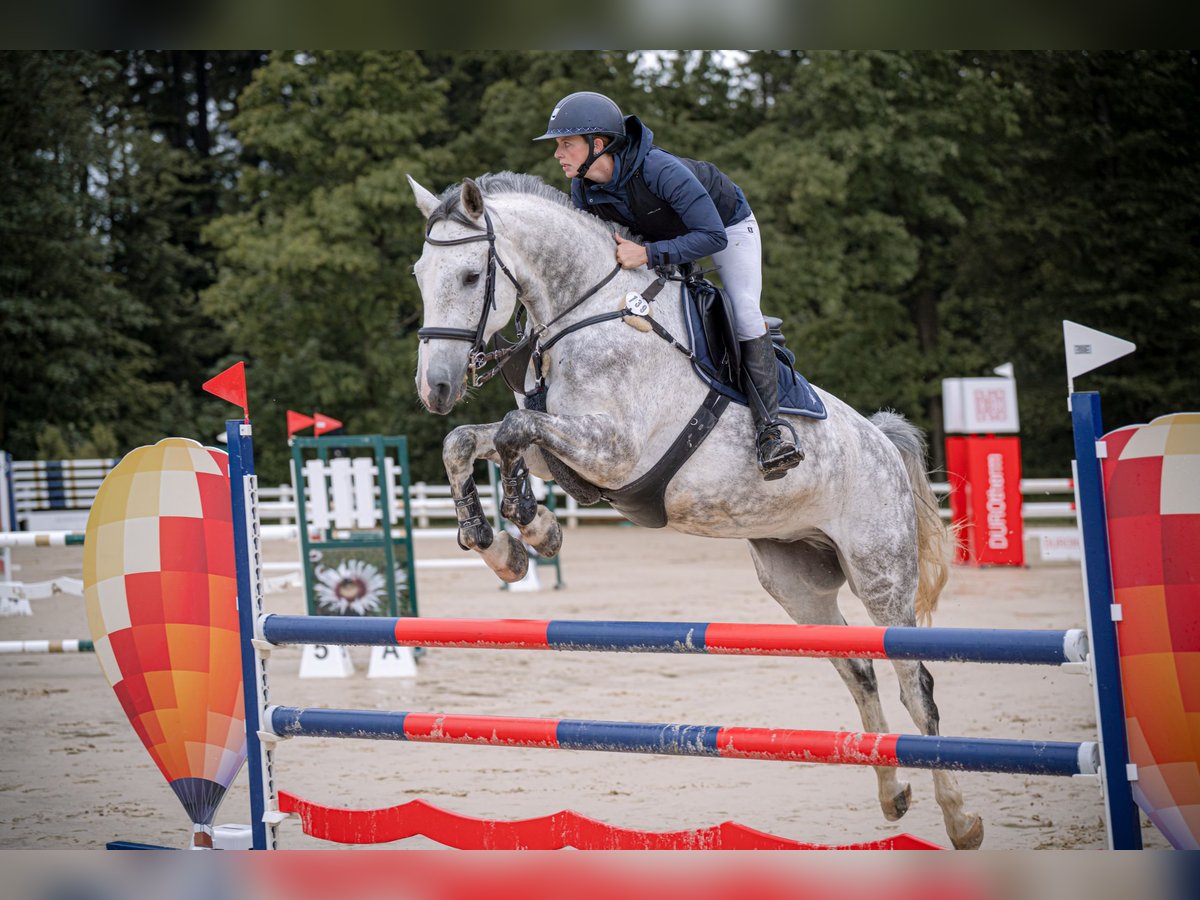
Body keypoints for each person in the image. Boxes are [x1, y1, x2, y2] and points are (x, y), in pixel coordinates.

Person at [534, 91, 803, 480]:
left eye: (565, 144)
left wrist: (646, 255)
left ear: (597, 144)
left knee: (744, 310)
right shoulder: (584, 188)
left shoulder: (659, 169)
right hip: (659, 239)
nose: (557, 154)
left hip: (725, 225)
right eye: (558, 145)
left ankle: (772, 432)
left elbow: (712, 237)